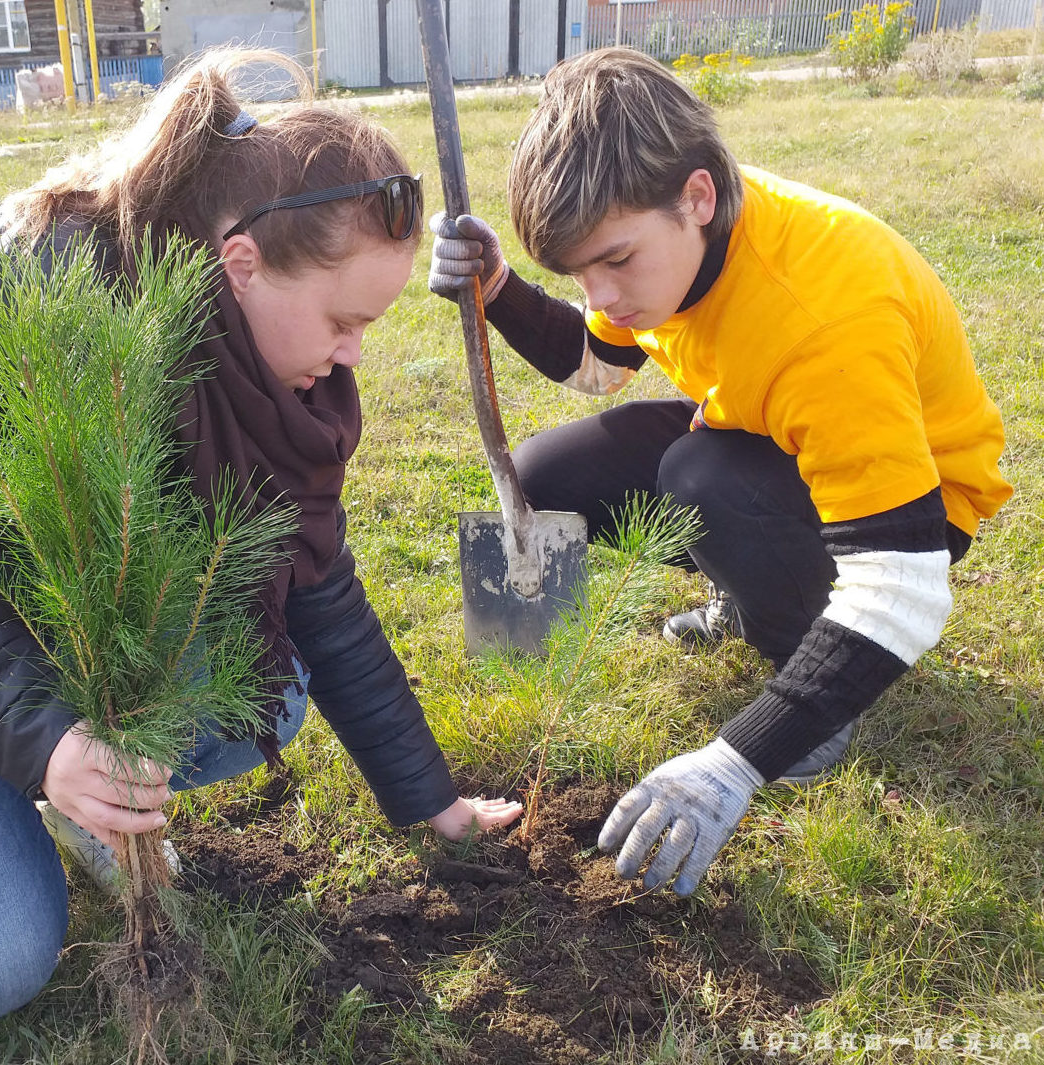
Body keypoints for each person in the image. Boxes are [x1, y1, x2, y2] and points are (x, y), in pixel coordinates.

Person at [0, 48, 522, 1023]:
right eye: (343, 320)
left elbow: (313, 581)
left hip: (31, 629)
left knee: (263, 698)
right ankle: (21, 779)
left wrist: (427, 798)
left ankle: (51, 779)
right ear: (240, 263)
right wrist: (41, 742)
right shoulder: (22, 291)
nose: (351, 354)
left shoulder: (264, 380)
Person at [427, 47, 1009, 898]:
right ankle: (752, 586)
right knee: (545, 472)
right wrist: (502, 289)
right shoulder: (669, 235)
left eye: (615, 262)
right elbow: (598, 360)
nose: (602, 292)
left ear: (697, 197)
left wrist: (736, 761)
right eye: (579, 272)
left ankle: (806, 688)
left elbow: (905, 588)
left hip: (919, 502)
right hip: (763, 430)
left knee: (703, 477)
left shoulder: (827, 316)